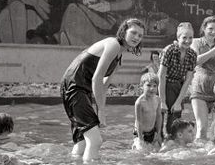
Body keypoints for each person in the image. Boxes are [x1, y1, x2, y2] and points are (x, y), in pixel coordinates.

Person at [60, 18, 145, 162]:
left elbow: (104, 86)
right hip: (74, 87)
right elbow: (97, 78)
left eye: (140, 35)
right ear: (124, 31)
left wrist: (101, 111)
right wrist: (101, 111)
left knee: (82, 142)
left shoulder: (119, 58)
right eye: (133, 33)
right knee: (95, 140)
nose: (136, 37)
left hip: (82, 90)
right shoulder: (113, 45)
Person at [190, 16, 215, 140]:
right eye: (210, 29)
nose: (213, 32)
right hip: (199, 88)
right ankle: (199, 156)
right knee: (202, 128)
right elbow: (195, 60)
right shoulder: (195, 42)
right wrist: (213, 51)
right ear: (204, 28)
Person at [158, 22, 197, 137]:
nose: (187, 41)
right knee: (159, 115)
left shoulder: (192, 54)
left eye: (190, 38)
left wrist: (178, 102)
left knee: (175, 118)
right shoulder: (169, 50)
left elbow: (188, 79)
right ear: (178, 37)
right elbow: (161, 76)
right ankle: (157, 139)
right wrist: (162, 101)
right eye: (184, 37)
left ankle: (172, 140)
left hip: (177, 86)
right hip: (163, 84)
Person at [133, 72, 162, 150]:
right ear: (141, 86)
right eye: (148, 85)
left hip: (152, 131)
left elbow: (159, 116)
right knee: (141, 151)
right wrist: (140, 139)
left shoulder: (158, 100)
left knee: (157, 151)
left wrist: (158, 133)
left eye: (154, 86)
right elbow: (138, 121)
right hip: (140, 133)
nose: (152, 88)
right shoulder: (139, 103)